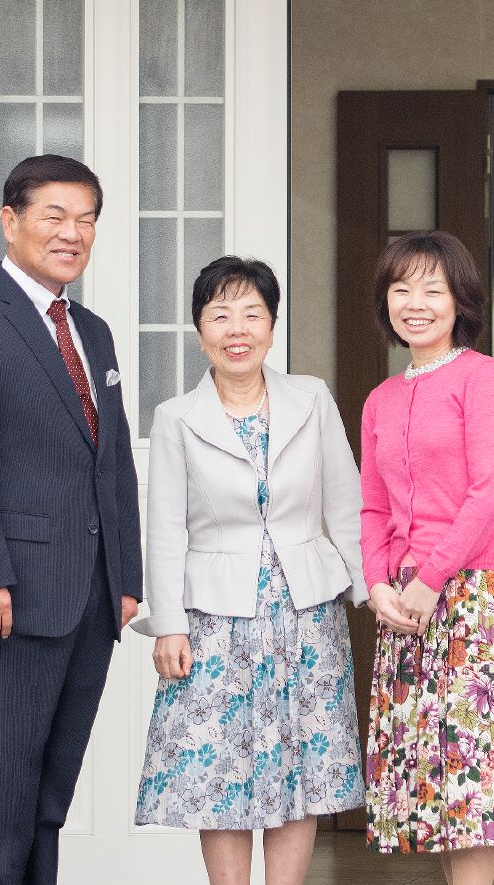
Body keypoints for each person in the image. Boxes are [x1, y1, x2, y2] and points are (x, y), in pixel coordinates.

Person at [0, 154, 142, 884]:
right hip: (7, 600)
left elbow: (112, 464)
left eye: (86, 220)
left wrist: (126, 576)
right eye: (55, 215)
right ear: (10, 221)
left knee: (47, 796)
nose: (72, 233)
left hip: (89, 599)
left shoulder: (93, 333)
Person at [132, 256, 368, 884]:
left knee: (303, 763)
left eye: (251, 314)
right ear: (199, 328)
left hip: (306, 614)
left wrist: (370, 592)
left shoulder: (311, 397)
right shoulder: (177, 417)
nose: (237, 329)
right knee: (221, 770)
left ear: (271, 324)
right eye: (219, 315)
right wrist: (169, 626)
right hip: (214, 620)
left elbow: (346, 505)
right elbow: (164, 529)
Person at [360, 231, 494, 884]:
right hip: (406, 608)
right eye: (400, 288)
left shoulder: (485, 379)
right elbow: (372, 507)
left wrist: (430, 577)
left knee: (475, 774)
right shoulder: (380, 399)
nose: (414, 302)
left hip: (477, 600)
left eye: (431, 288)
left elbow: (488, 493)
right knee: (433, 773)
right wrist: (377, 582)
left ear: (460, 302)